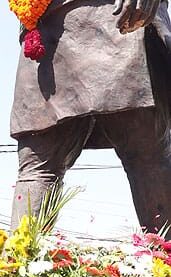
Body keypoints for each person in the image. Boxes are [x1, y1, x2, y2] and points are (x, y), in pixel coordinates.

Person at [10, 0, 171, 238]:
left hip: (122, 15)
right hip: (47, 29)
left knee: (149, 154)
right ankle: (17, 270)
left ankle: (165, 266)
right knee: (37, 163)